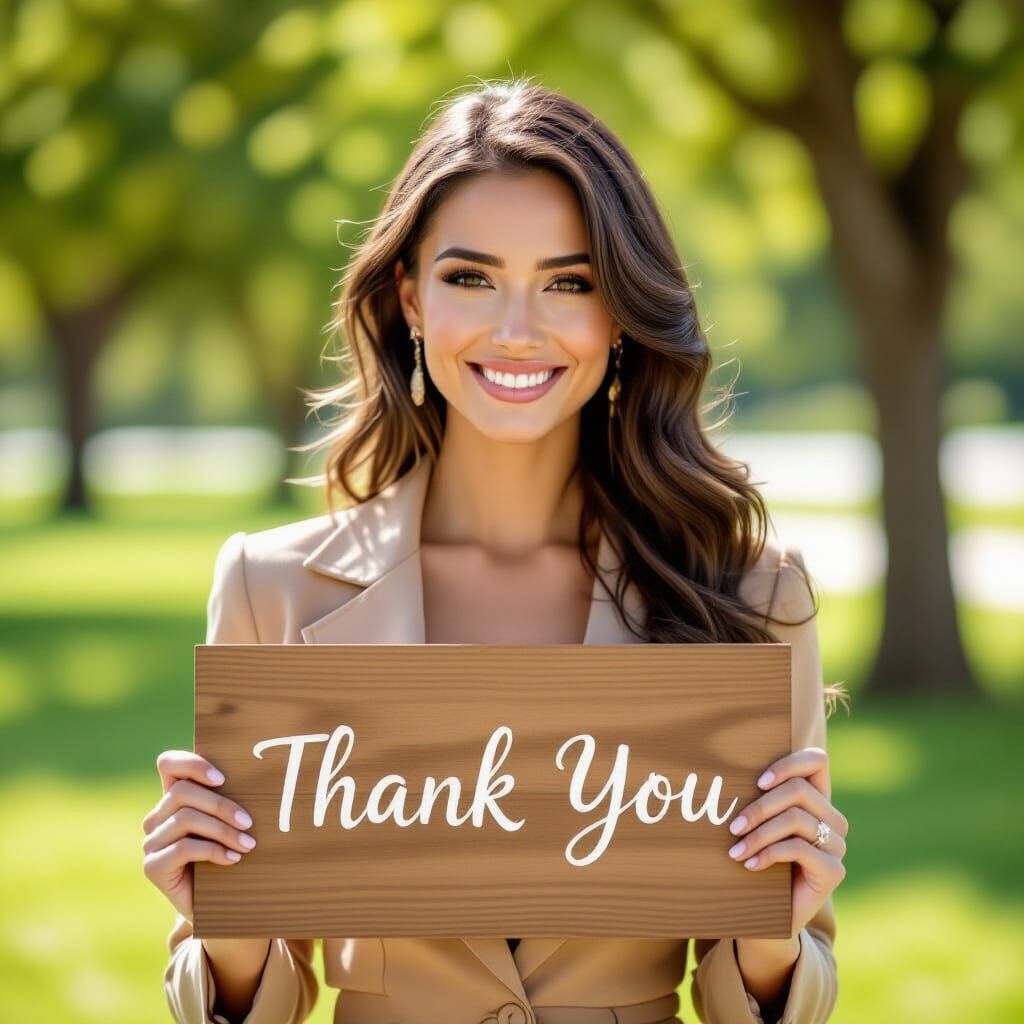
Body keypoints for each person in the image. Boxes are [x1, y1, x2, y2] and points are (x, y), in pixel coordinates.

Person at [142, 78, 849, 1024]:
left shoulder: (750, 594)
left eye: (570, 282)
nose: (518, 330)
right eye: (471, 277)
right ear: (410, 298)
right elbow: (257, 1000)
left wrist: (772, 935)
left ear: (621, 312)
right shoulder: (273, 589)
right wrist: (223, 928)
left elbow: (753, 997)